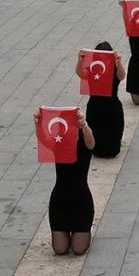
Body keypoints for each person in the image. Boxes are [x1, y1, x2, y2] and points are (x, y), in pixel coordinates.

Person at [35, 107, 95, 255]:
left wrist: (84, 124)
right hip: (60, 202)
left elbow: (91, 143)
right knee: (60, 249)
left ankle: (86, 232)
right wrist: (38, 123)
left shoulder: (84, 143)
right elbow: (43, 139)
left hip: (81, 202)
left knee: (78, 249)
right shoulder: (58, 143)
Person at [81, 42, 126, 158]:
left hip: (111, 110)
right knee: (95, 149)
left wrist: (119, 62)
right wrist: (80, 60)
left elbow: (121, 76)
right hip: (95, 110)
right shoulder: (92, 68)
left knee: (112, 151)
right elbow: (80, 73)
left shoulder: (114, 67)